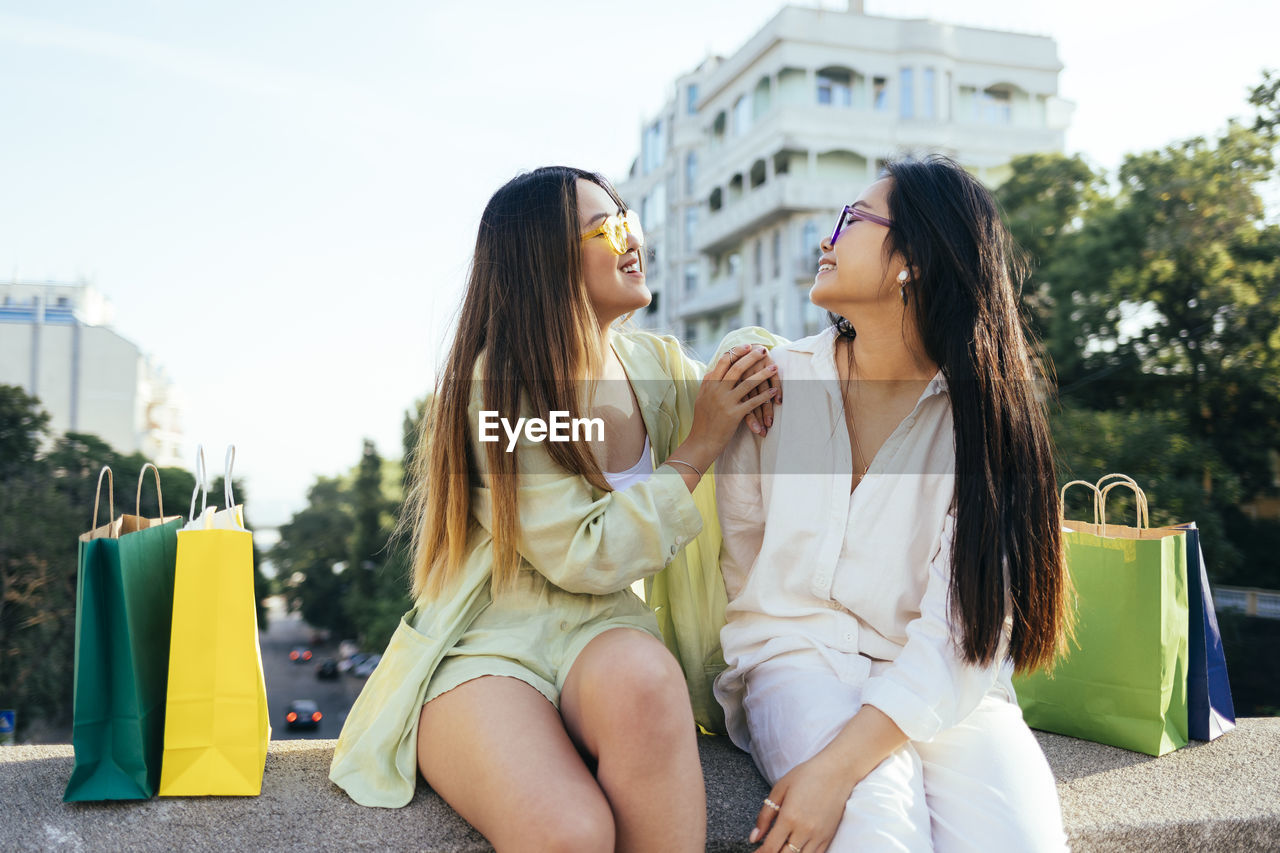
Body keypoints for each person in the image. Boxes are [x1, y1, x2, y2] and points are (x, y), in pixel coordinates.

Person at [329, 166, 780, 852]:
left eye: (626, 218)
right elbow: (582, 553)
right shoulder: (499, 384)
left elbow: (736, 379)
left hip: (605, 631)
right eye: (604, 228)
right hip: (490, 643)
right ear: (542, 260)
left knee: (647, 679)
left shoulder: (653, 366)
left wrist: (763, 363)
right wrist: (695, 451)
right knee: (569, 831)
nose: (630, 239)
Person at [714, 155, 1071, 853]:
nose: (828, 237)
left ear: (914, 257)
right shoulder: (775, 384)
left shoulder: (989, 415)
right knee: (875, 824)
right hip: (796, 657)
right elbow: (746, 557)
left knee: (1019, 841)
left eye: (853, 219)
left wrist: (833, 768)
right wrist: (840, 771)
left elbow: (961, 636)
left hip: (948, 678)